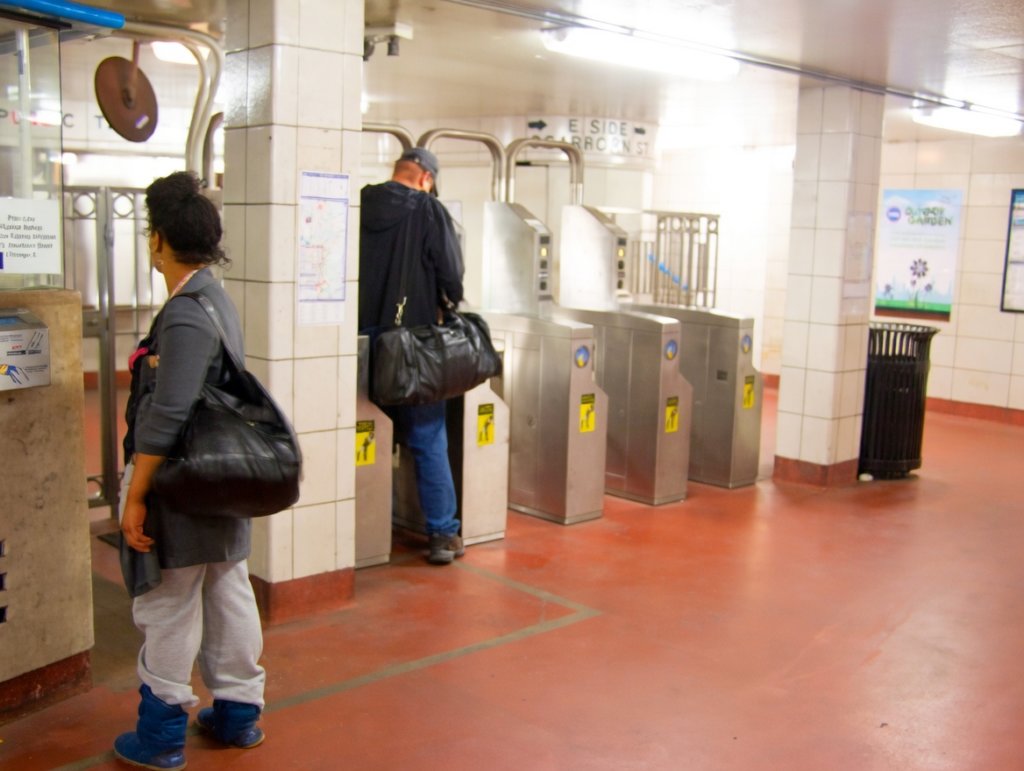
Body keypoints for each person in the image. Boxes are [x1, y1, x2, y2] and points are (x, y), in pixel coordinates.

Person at [114, 171, 266, 770]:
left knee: (168, 601)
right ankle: (238, 715)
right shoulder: (215, 297)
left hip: (180, 482)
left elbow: (169, 413)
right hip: (222, 478)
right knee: (228, 589)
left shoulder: (184, 313)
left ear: (157, 240)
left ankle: (160, 736)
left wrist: (136, 495)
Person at [359, 147, 466, 565]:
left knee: (366, 430)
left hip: (359, 341)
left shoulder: (360, 202)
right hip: (412, 342)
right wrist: (450, 301)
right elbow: (451, 274)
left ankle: (366, 531)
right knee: (426, 435)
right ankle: (442, 533)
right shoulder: (428, 209)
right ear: (426, 178)